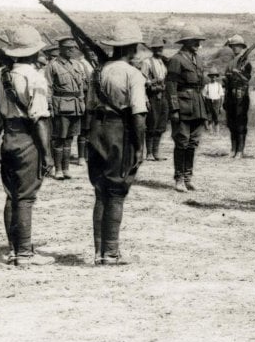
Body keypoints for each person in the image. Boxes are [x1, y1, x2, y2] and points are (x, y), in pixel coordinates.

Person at [86, 19, 148, 265]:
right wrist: (140, 145)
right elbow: (138, 114)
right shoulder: (133, 74)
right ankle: (110, 252)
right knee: (116, 192)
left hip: (97, 130)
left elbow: (90, 106)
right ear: (132, 48)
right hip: (119, 131)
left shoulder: (98, 71)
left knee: (100, 193)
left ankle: (100, 250)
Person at [0, 26, 55, 265]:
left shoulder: (4, 75)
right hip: (27, 137)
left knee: (12, 196)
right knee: (26, 197)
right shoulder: (34, 77)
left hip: (8, 136)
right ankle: (24, 253)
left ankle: (14, 249)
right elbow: (39, 119)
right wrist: (47, 154)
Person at [166, 28, 209, 192]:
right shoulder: (176, 60)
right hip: (183, 106)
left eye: (199, 41)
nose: (198, 44)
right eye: (194, 41)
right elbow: (171, 86)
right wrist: (174, 109)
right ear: (185, 42)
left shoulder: (198, 59)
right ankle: (178, 178)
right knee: (182, 142)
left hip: (197, 104)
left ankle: (188, 177)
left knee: (193, 143)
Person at [45, 37, 90, 180]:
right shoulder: (53, 65)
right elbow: (48, 88)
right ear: (61, 49)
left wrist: (82, 102)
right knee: (59, 138)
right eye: (68, 48)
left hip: (76, 105)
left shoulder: (77, 65)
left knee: (70, 138)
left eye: (73, 48)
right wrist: (50, 106)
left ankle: (66, 169)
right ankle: (58, 170)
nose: (71, 50)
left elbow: (81, 87)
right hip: (61, 105)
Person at [140, 37, 169, 161]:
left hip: (163, 96)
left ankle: (156, 152)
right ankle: (149, 153)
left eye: (161, 48)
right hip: (152, 96)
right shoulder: (147, 62)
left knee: (161, 124)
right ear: (152, 49)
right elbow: (142, 80)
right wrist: (152, 82)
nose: (159, 50)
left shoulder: (163, 62)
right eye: (157, 48)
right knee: (152, 123)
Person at [224, 34, 252, 157]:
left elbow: (247, 80)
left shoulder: (246, 63)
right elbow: (226, 79)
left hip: (241, 95)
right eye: (233, 46)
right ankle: (233, 149)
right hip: (230, 94)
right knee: (231, 122)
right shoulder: (230, 62)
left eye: (238, 46)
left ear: (242, 47)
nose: (235, 48)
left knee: (240, 123)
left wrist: (238, 74)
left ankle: (240, 151)